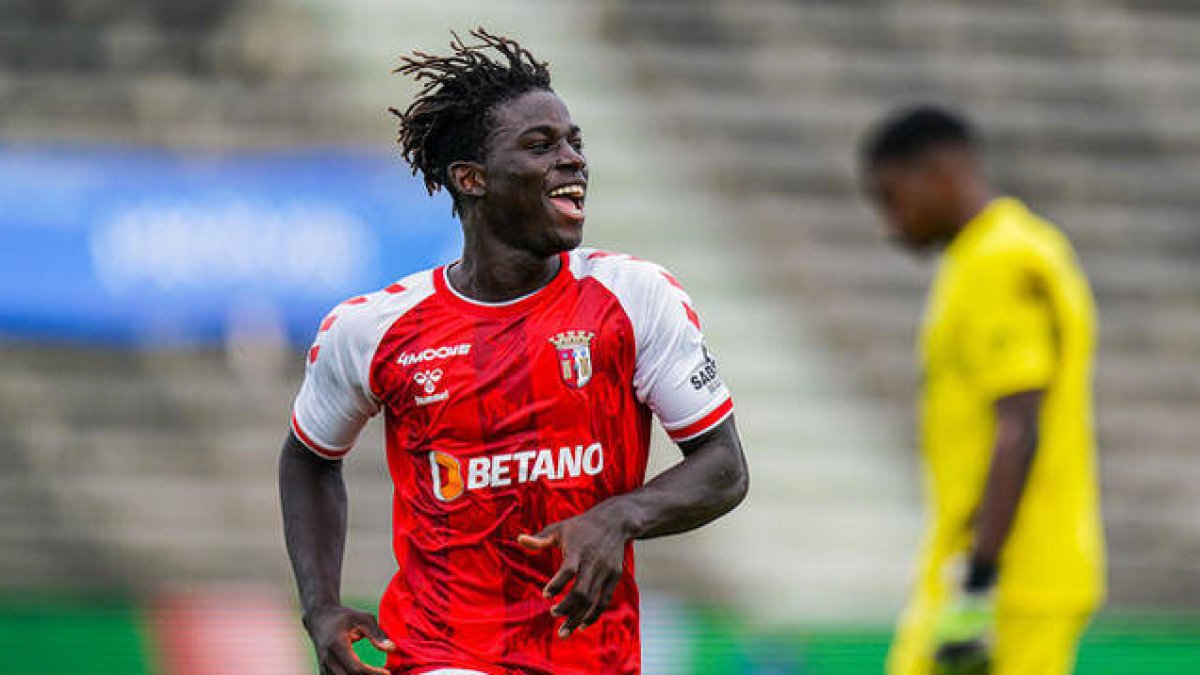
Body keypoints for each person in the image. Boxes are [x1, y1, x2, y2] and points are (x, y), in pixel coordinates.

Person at [279, 29, 749, 675]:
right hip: (442, 651)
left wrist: (619, 516)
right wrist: (320, 604)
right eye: (541, 145)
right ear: (471, 178)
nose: (573, 160)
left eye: (575, 142)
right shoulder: (373, 329)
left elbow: (723, 464)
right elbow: (309, 456)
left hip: (596, 657)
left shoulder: (634, 298)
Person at [859, 105, 1105, 675]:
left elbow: (1018, 426)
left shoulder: (1000, 261)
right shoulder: (1011, 249)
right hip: (1000, 568)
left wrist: (978, 584)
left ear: (941, 174)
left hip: (1011, 582)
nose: (890, 224)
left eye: (891, 198)